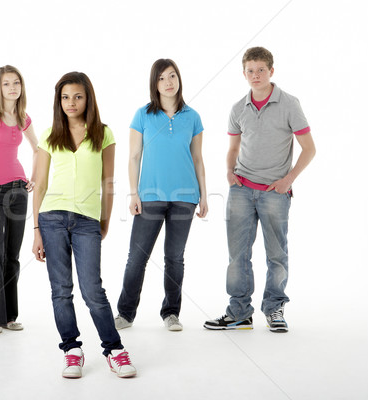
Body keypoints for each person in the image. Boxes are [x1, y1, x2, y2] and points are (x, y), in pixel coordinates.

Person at [204, 47, 316, 332]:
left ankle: (274, 308)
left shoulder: (289, 104)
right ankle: (239, 312)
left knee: (276, 254)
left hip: (275, 192)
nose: (255, 76)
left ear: (271, 71)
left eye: (261, 70)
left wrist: (288, 180)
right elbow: (233, 148)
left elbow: (309, 149)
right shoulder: (237, 108)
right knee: (237, 255)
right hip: (241, 189)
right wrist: (229, 173)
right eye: (250, 71)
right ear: (244, 73)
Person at [32, 72, 136, 379]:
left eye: (77, 96)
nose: (71, 103)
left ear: (88, 98)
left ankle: (114, 349)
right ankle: (71, 350)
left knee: (93, 289)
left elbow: (108, 182)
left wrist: (103, 220)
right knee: (61, 290)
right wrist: (36, 230)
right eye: (65, 97)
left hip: (87, 220)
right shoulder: (50, 134)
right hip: (50, 218)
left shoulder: (103, 133)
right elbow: (39, 185)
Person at [114, 59, 207, 332]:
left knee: (174, 257)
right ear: (154, 84)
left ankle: (171, 313)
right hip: (150, 196)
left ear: (179, 79)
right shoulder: (142, 115)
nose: (168, 82)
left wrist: (203, 195)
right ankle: (125, 314)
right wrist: (134, 193)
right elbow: (133, 157)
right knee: (137, 257)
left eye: (172, 76)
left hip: (185, 196)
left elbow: (198, 159)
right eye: (162, 78)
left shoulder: (193, 116)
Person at [0, 65, 38, 338]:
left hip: (18, 191)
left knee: (12, 255)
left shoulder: (23, 117)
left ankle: (10, 316)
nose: (12, 87)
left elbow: (39, 149)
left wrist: (33, 177)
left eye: (16, 83)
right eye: (6, 83)